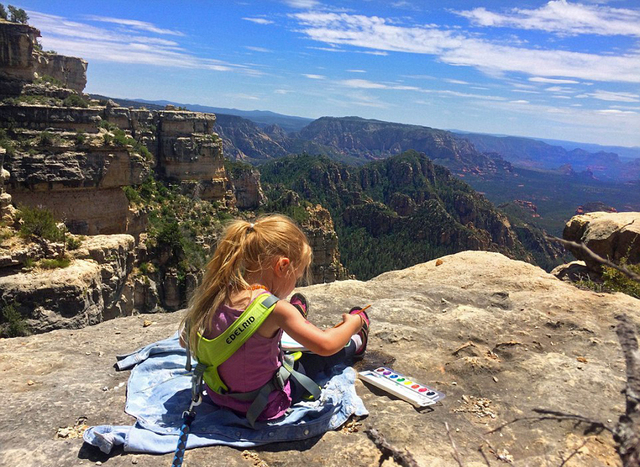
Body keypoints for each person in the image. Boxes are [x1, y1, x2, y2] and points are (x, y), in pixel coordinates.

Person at [180, 214, 370, 423]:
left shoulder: (216, 295)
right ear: (282, 266)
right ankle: (357, 342)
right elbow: (326, 344)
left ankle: (297, 316)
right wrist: (354, 323)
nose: (295, 285)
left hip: (218, 396)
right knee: (316, 360)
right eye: (296, 276)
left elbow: (184, 340)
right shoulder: (276, 310)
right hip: (263, 404)